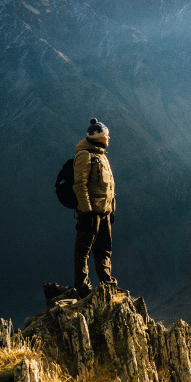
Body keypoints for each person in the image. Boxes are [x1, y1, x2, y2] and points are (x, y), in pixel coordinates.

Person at [73, 118, 117, 298]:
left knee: (104, 249)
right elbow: (80, 185)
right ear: (98, 137)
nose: (108, 138)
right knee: (83, 251)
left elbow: (109, 186)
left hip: (104, 212)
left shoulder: (101, 155)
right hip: (90, 213)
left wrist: (111, 209)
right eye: (106, 136)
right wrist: (87, 211)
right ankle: (83, 289)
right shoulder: (85, 155)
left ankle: (107, 285)